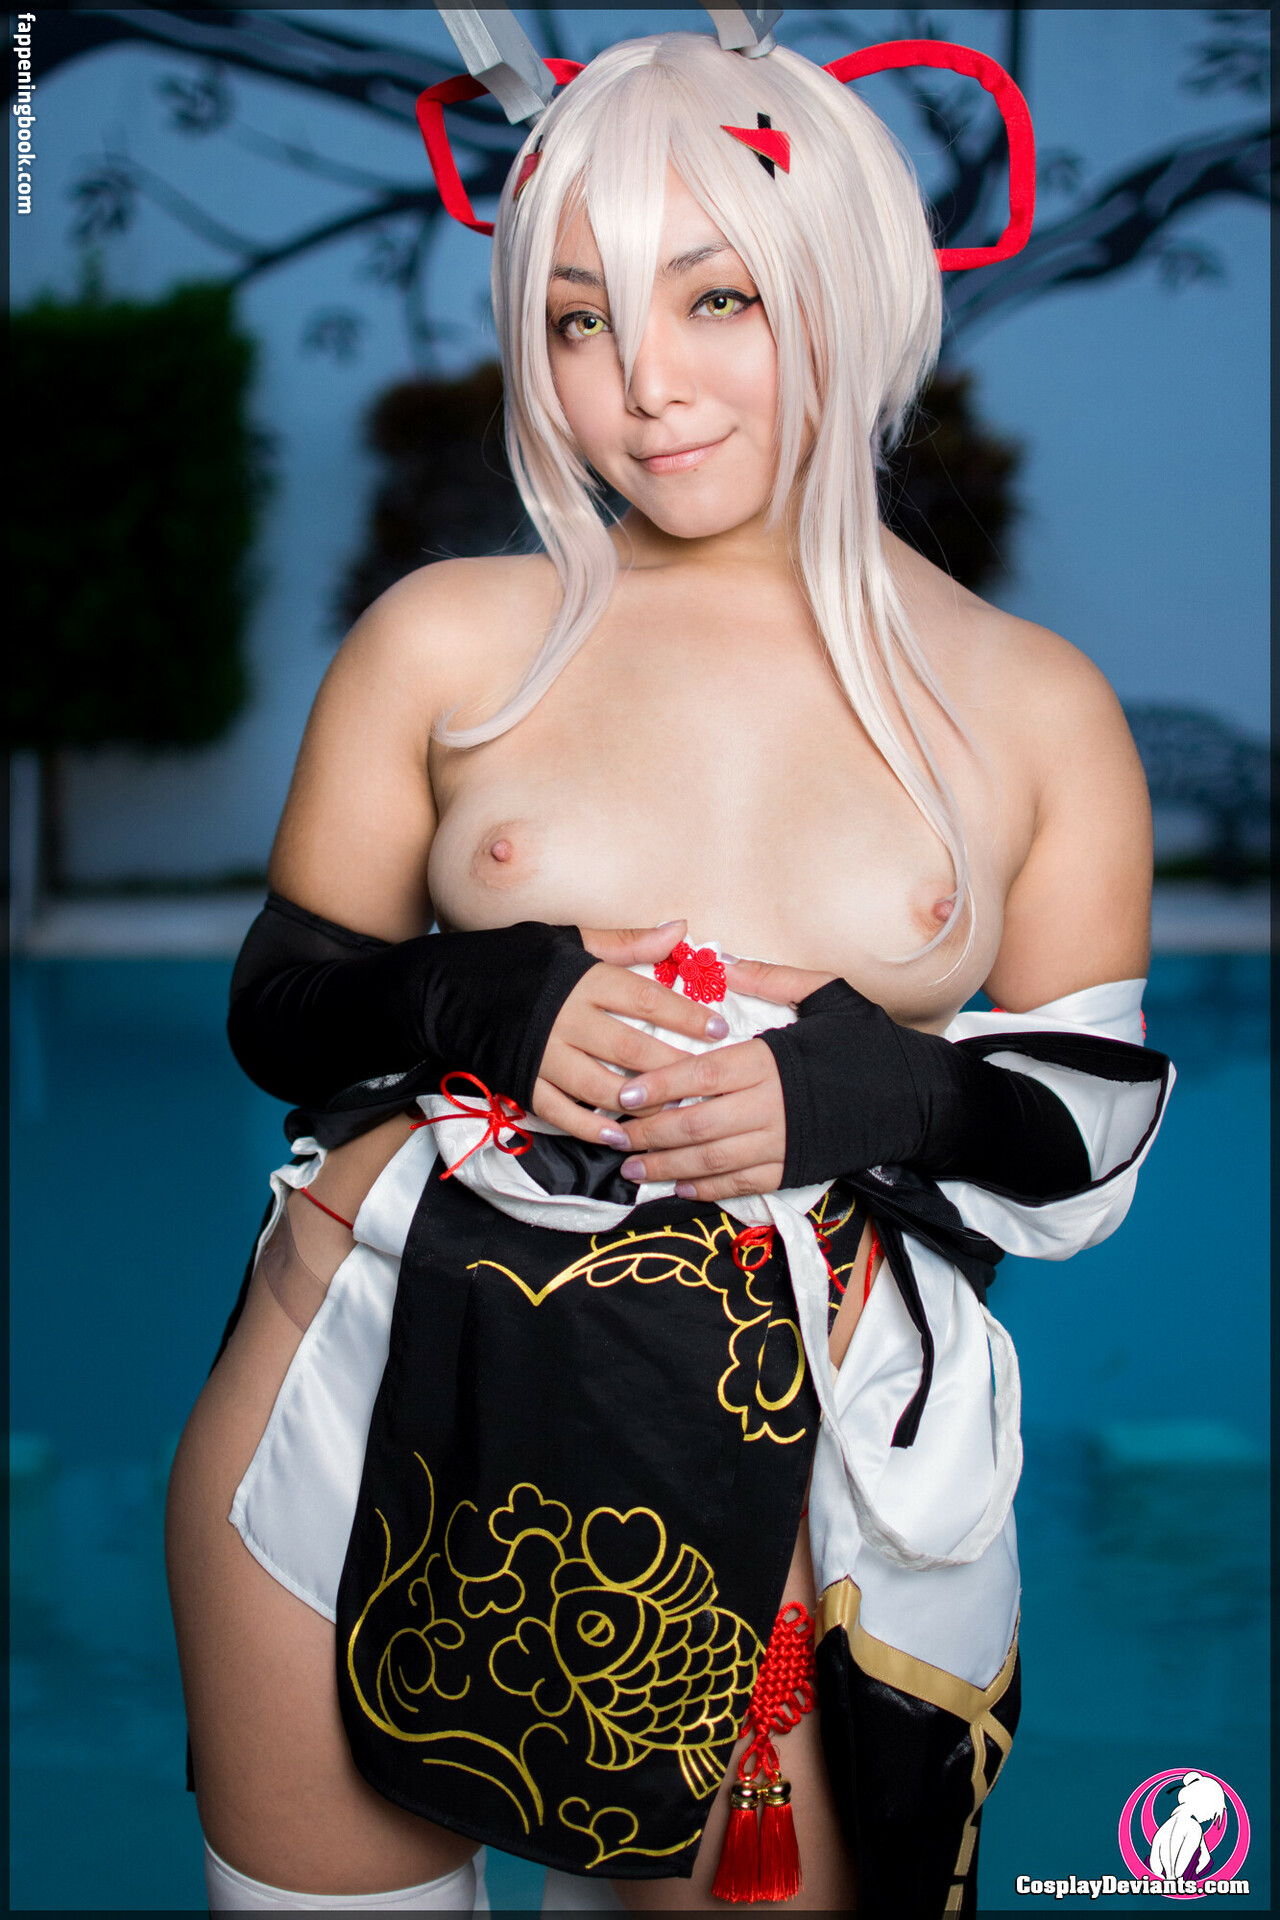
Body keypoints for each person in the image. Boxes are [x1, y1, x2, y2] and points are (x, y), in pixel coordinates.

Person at [165, 26, 1171, 1916]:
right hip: (347, 1405)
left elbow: (1091, 1136)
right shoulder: (448, 639)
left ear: (846, 287)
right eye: (578, 319)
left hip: (781, 1486)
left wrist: (884, 1090)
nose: (643, 384)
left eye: (719, 299)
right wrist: (473, 1001)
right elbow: (280, 1003)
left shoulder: (1035, 709)